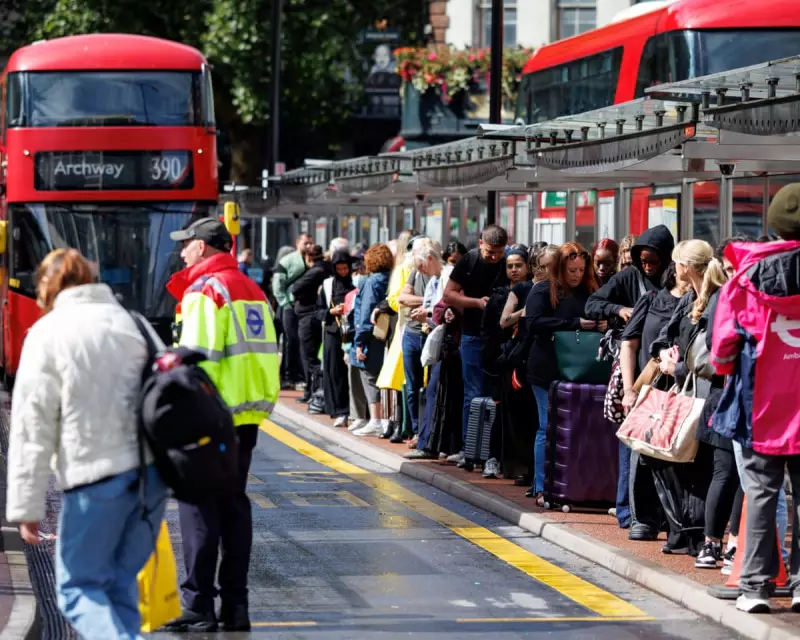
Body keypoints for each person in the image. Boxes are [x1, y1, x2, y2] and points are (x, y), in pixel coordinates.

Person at [6, 249, 166, 640]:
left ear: (47, 287)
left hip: (96, 478)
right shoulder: (134, 323)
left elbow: (32, 427)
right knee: (120, 586)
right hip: (151, 478)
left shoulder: (47, 333)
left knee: (77, 589)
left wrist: (27, 507)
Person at [164, 217, 279, 632]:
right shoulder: (251, 289)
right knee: (233, 505)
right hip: (246, 415)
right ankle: (235, 605)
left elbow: (197, 358)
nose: (181, 252)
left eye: (186, 244)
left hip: (210, 416)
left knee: (198, 507)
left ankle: (198, 603)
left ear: (202, 247)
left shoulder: (205, 290)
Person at [710, 183, 800, 614]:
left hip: (760, 407)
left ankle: (755, 588)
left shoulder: (745, 278)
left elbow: (722, 350)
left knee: (762, 494)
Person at [586, 225, 674, 533]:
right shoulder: (628, 277)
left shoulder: (672, 279)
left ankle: (660, 514)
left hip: (666, 375)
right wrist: (618, 308)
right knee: (631, 443)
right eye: (643, 260)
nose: (648, 267)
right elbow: (592, 305)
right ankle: (628, 511)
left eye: (653, 261)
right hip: (636, 372)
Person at [647, 240, 718, 557]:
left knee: (698, 466)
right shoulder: (688, 297)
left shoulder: (716, 300)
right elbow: (665, 336)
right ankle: (681, 530)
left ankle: (697, 535)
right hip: (683, 394)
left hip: (704, 396)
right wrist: (664, 354)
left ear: (686, 267)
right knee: (668, 459)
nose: (673, 268)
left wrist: (675, 367)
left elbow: (711, 357)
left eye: (677, 262)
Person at [524, 242, 602, 504]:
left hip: (578, 370)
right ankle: (541, 486)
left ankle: (570, 484)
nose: (577, 275)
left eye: (581, 269)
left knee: (575, 428)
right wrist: (575, 324)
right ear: (560, 268)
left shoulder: (590, 291)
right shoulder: (543, 289)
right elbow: (534, 323)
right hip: (545, 369)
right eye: (571, 270)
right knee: (546, 427)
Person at [443, 224, 508, 466]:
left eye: (499, 253)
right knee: (473, 393)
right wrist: (477, 303)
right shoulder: (468, 261)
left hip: (499, 336)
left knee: (495, 392)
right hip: (472, 334)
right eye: (490, 252)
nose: (495, 257)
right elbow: (448, 295)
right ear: (481, 243)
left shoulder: (508, 262)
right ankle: (469, 449)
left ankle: (491, 451)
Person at [351, 244, 394, 436]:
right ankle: (386, 420)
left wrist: (359, 343)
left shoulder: (372, 282)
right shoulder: (392, 278)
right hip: (389, 334)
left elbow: (365, 314)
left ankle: (375, 420)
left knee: (370, 376)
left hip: (372, 335)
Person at [398, 237, 433, 445]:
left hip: (431, 334)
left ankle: (428, 432)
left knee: (431, 386)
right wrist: (428, 300)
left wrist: (424, 302)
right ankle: (415, 430)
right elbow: (403, 299)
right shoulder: (415, 273)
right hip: (412, 333)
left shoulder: (439, 275)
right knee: (412, 387)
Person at [317, 251, 356, 427]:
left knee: (352, 374)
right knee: (334, 371)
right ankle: (339, 410)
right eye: (339, 269)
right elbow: (317, 311)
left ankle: (354, 411)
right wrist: (331, 312)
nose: (342, 272)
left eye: (345, 268)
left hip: (352, 332)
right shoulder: (327, 285)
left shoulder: (356, 282)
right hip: (333, 332)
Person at [273, 233, 313, 389]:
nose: (308, 246)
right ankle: (288, 376)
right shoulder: (287, 261)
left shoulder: (312, 260)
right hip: (290, 306)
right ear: (297, 243)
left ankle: (300, 375)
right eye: (305, 243)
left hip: (306, 307)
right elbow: (278, 284)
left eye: (310, 243)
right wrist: (285, 303)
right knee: (291, 340)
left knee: (303, 341)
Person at [291, 245, 328, 403]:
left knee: (308, 357)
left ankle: (312, 392)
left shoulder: (316, 271)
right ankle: (314, 391)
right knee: (314, 356)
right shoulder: (327, 268)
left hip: (308, 316)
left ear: (308, 258)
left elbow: (295, 287)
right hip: (318, 315)